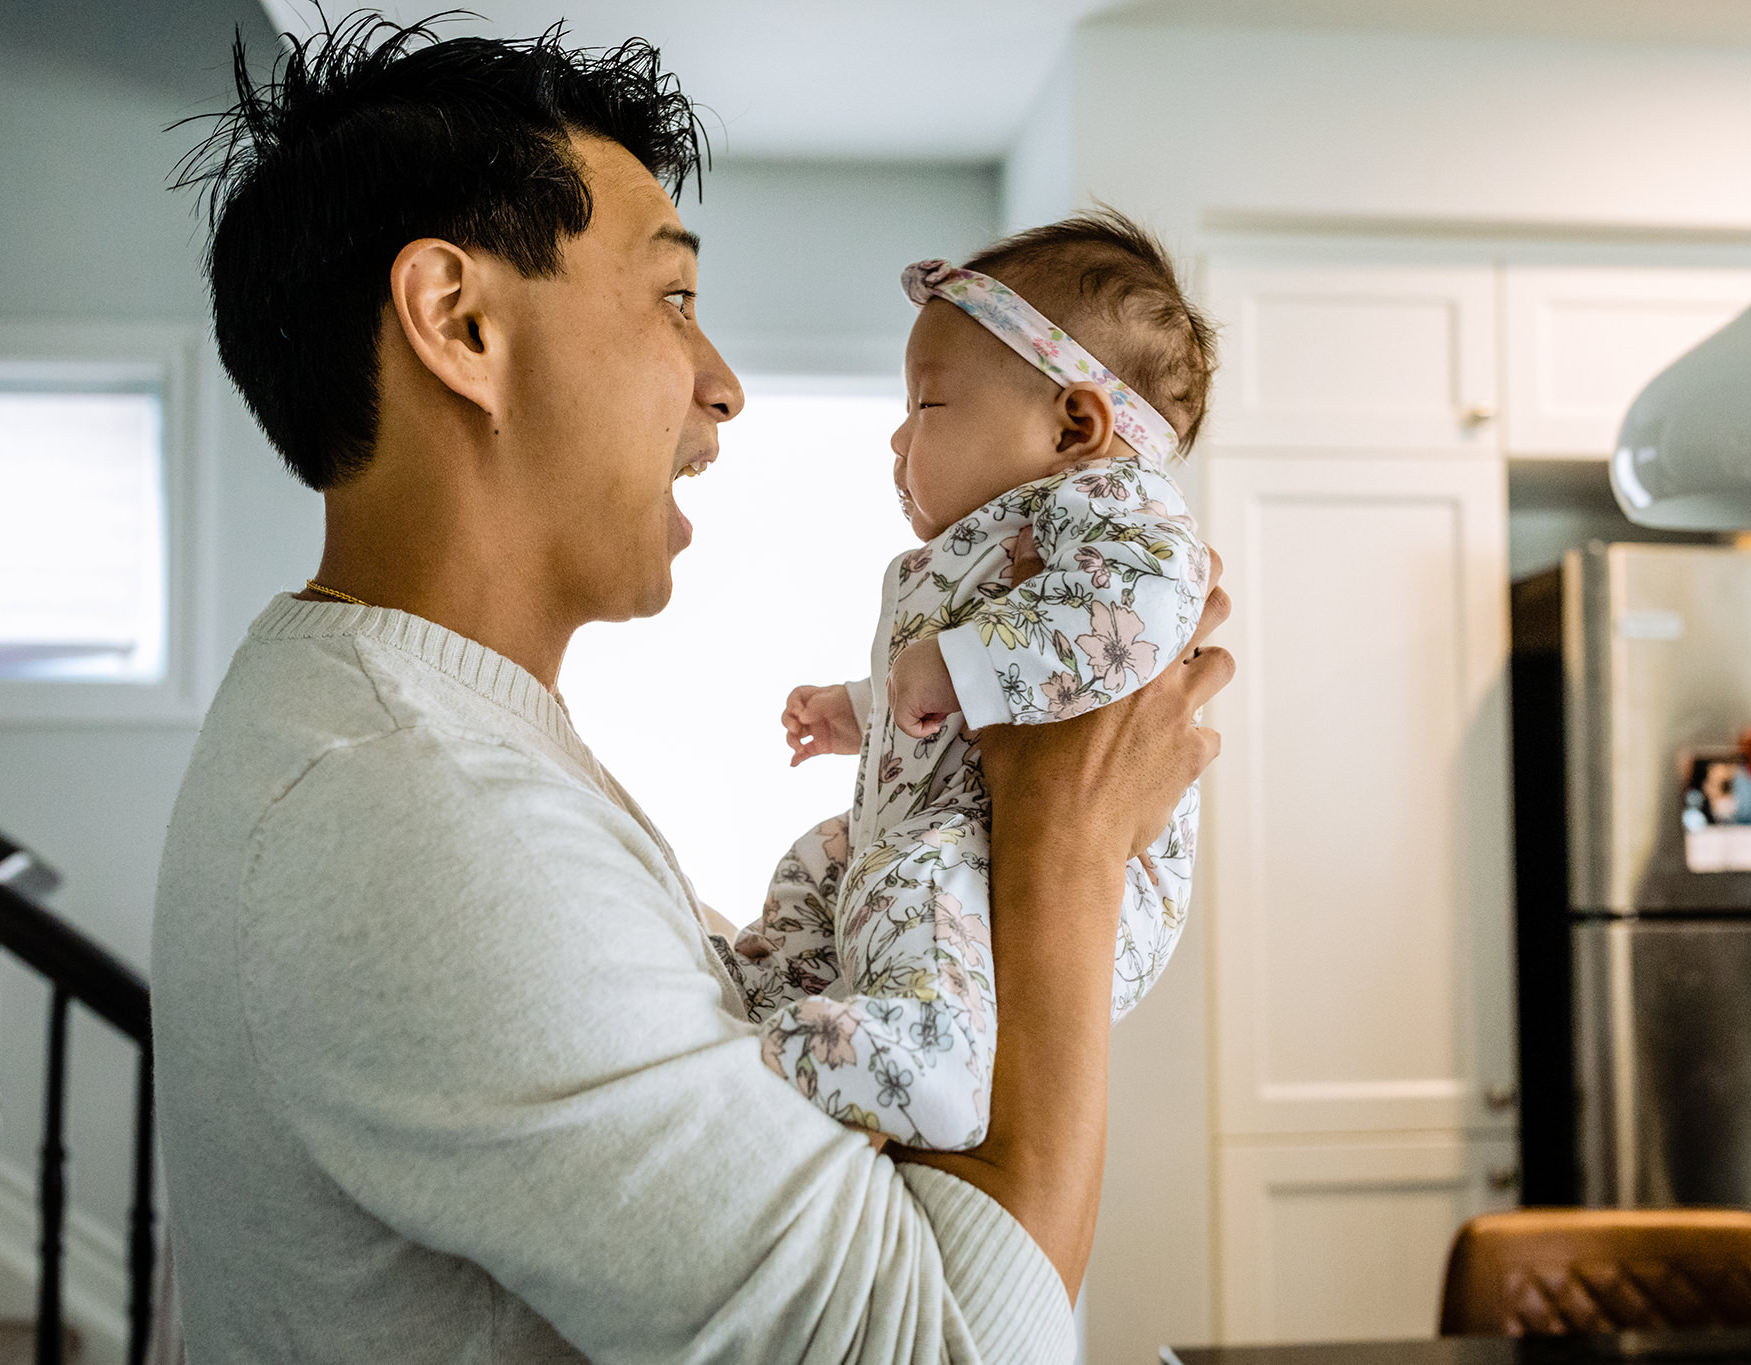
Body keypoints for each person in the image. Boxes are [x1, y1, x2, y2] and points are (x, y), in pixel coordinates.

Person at [150, 15, 1231, 1363]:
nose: (722, 384)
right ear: (459, 321)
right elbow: (947, 1352)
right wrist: (1065, 856)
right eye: (672, 298)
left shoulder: (401, 732)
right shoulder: (423, 822)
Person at [726, 215, 1214, 1152]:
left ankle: (937, 1057)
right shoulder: (994, 540)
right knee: (822, 860)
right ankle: (782, 987)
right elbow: (938, 688)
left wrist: (956, 666)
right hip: (946, 832)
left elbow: (1141, 613)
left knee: (912, 877)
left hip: (1044, 871)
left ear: (1075, 424)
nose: (898, 437)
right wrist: (859, 709)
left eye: (929, 407)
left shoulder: (1115, 504)